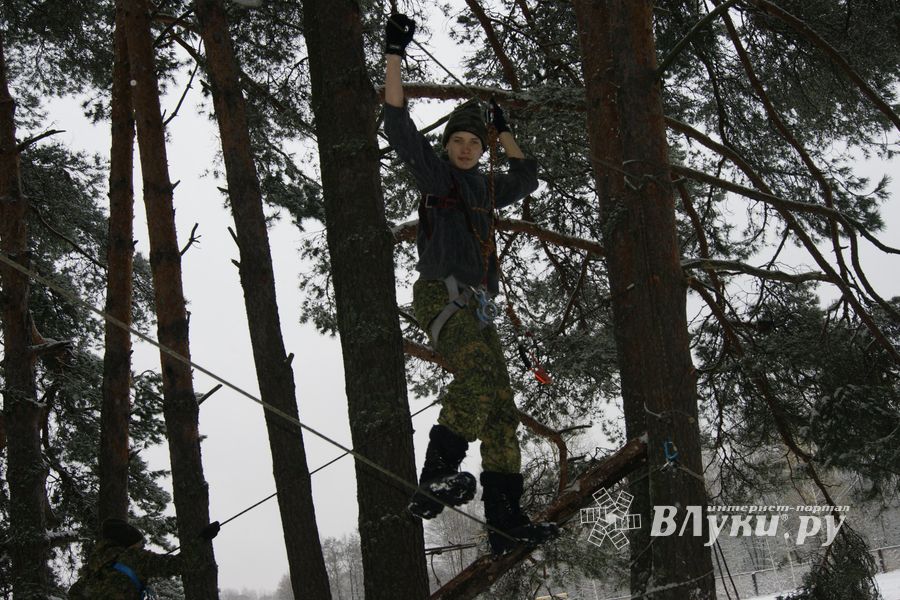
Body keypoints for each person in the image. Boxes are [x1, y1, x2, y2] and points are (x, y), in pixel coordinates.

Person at [383, 13, 557, 556]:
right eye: (457, 140)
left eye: (473, 143)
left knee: (501, 407)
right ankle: (436, 474)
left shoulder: (484, 188)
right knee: (480, 374)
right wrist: (394, 54)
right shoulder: (439, 177)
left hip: (477, 309)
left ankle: (505, 516)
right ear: (448, 146)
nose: (464, 148)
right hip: (440, 296)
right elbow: (396, 123)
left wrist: (505, 132)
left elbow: (527, 178)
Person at [69, 518, 219, 599]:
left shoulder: (95, 563)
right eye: (140, 545)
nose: (142, 548)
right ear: (130, 543)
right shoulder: (135, 557)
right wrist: (202, 539)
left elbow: (74, 592)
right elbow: (179, 564)